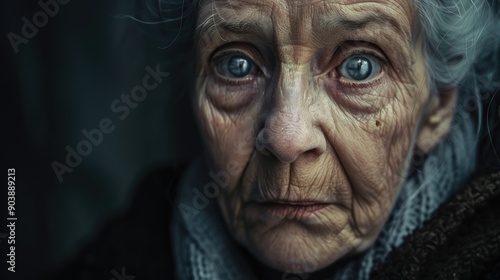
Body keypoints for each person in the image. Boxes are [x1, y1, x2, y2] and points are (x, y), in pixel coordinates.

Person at [49, 0, 500, 279]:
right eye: (236, 65)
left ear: (438, 102)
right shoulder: (116, 259)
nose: (285, 138)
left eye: (360, 66)